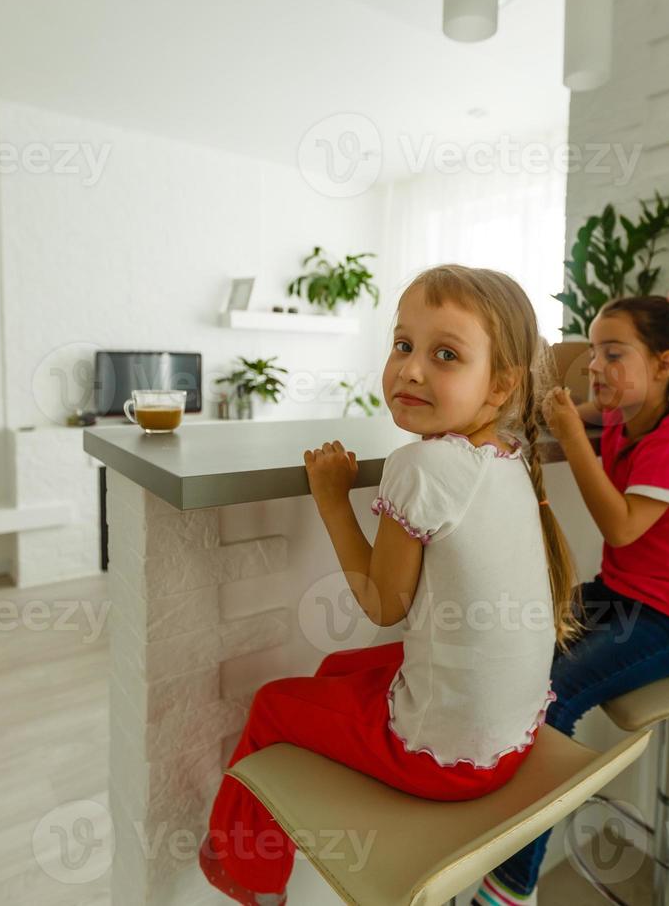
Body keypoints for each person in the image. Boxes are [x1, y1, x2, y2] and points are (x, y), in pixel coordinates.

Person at [199, 264, 587, 905]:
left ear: (500, 385)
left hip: (445, 762)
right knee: (336, 667)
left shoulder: (424, 466)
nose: (410, 369)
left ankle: (252, 883)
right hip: (510, 740)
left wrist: (330, 498)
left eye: (445, 355)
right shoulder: (509, 455)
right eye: (403, 344)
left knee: (272, 703)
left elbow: (382, 605)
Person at [476, 286, 669, 905]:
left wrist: (569, 430)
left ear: (666, 366)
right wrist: (551, 410)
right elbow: (565, 406)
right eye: (594, 350)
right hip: (624, 593)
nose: (594, 366)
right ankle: (491, 815)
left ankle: (514, 884)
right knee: (517, 644)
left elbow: (619, 525)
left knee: (552, 697)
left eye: (612, 354)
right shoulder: (626, 414)